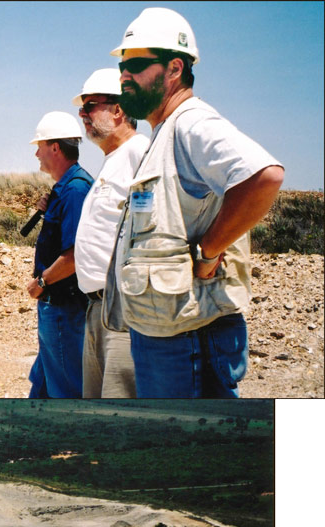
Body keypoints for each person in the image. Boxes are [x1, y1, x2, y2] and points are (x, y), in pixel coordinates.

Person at [103, 7, 283, 398]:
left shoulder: (191, 122)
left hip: (189, 337)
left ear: (174, 69)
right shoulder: (165, 132)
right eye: (122, 66)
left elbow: (263, 178)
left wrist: (208, 253)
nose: (124, 76)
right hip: (168, 331)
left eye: (135, 64)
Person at [71, 68, 149, 397]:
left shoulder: (139, 152)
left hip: (123, 310)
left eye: (90, 107)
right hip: (97, 309)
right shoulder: (113, 160)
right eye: (82, 109)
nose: (82, 115)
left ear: (117, 110)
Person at [25, 111, 93, 398]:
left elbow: (76, 255)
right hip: (55, 308)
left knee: (65, 391)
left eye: (40, 146)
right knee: (42, 386)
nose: (37, 153)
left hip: (63, 308)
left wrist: (41, 283)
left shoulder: (75, 189)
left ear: (55, 148)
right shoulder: (66, 188)